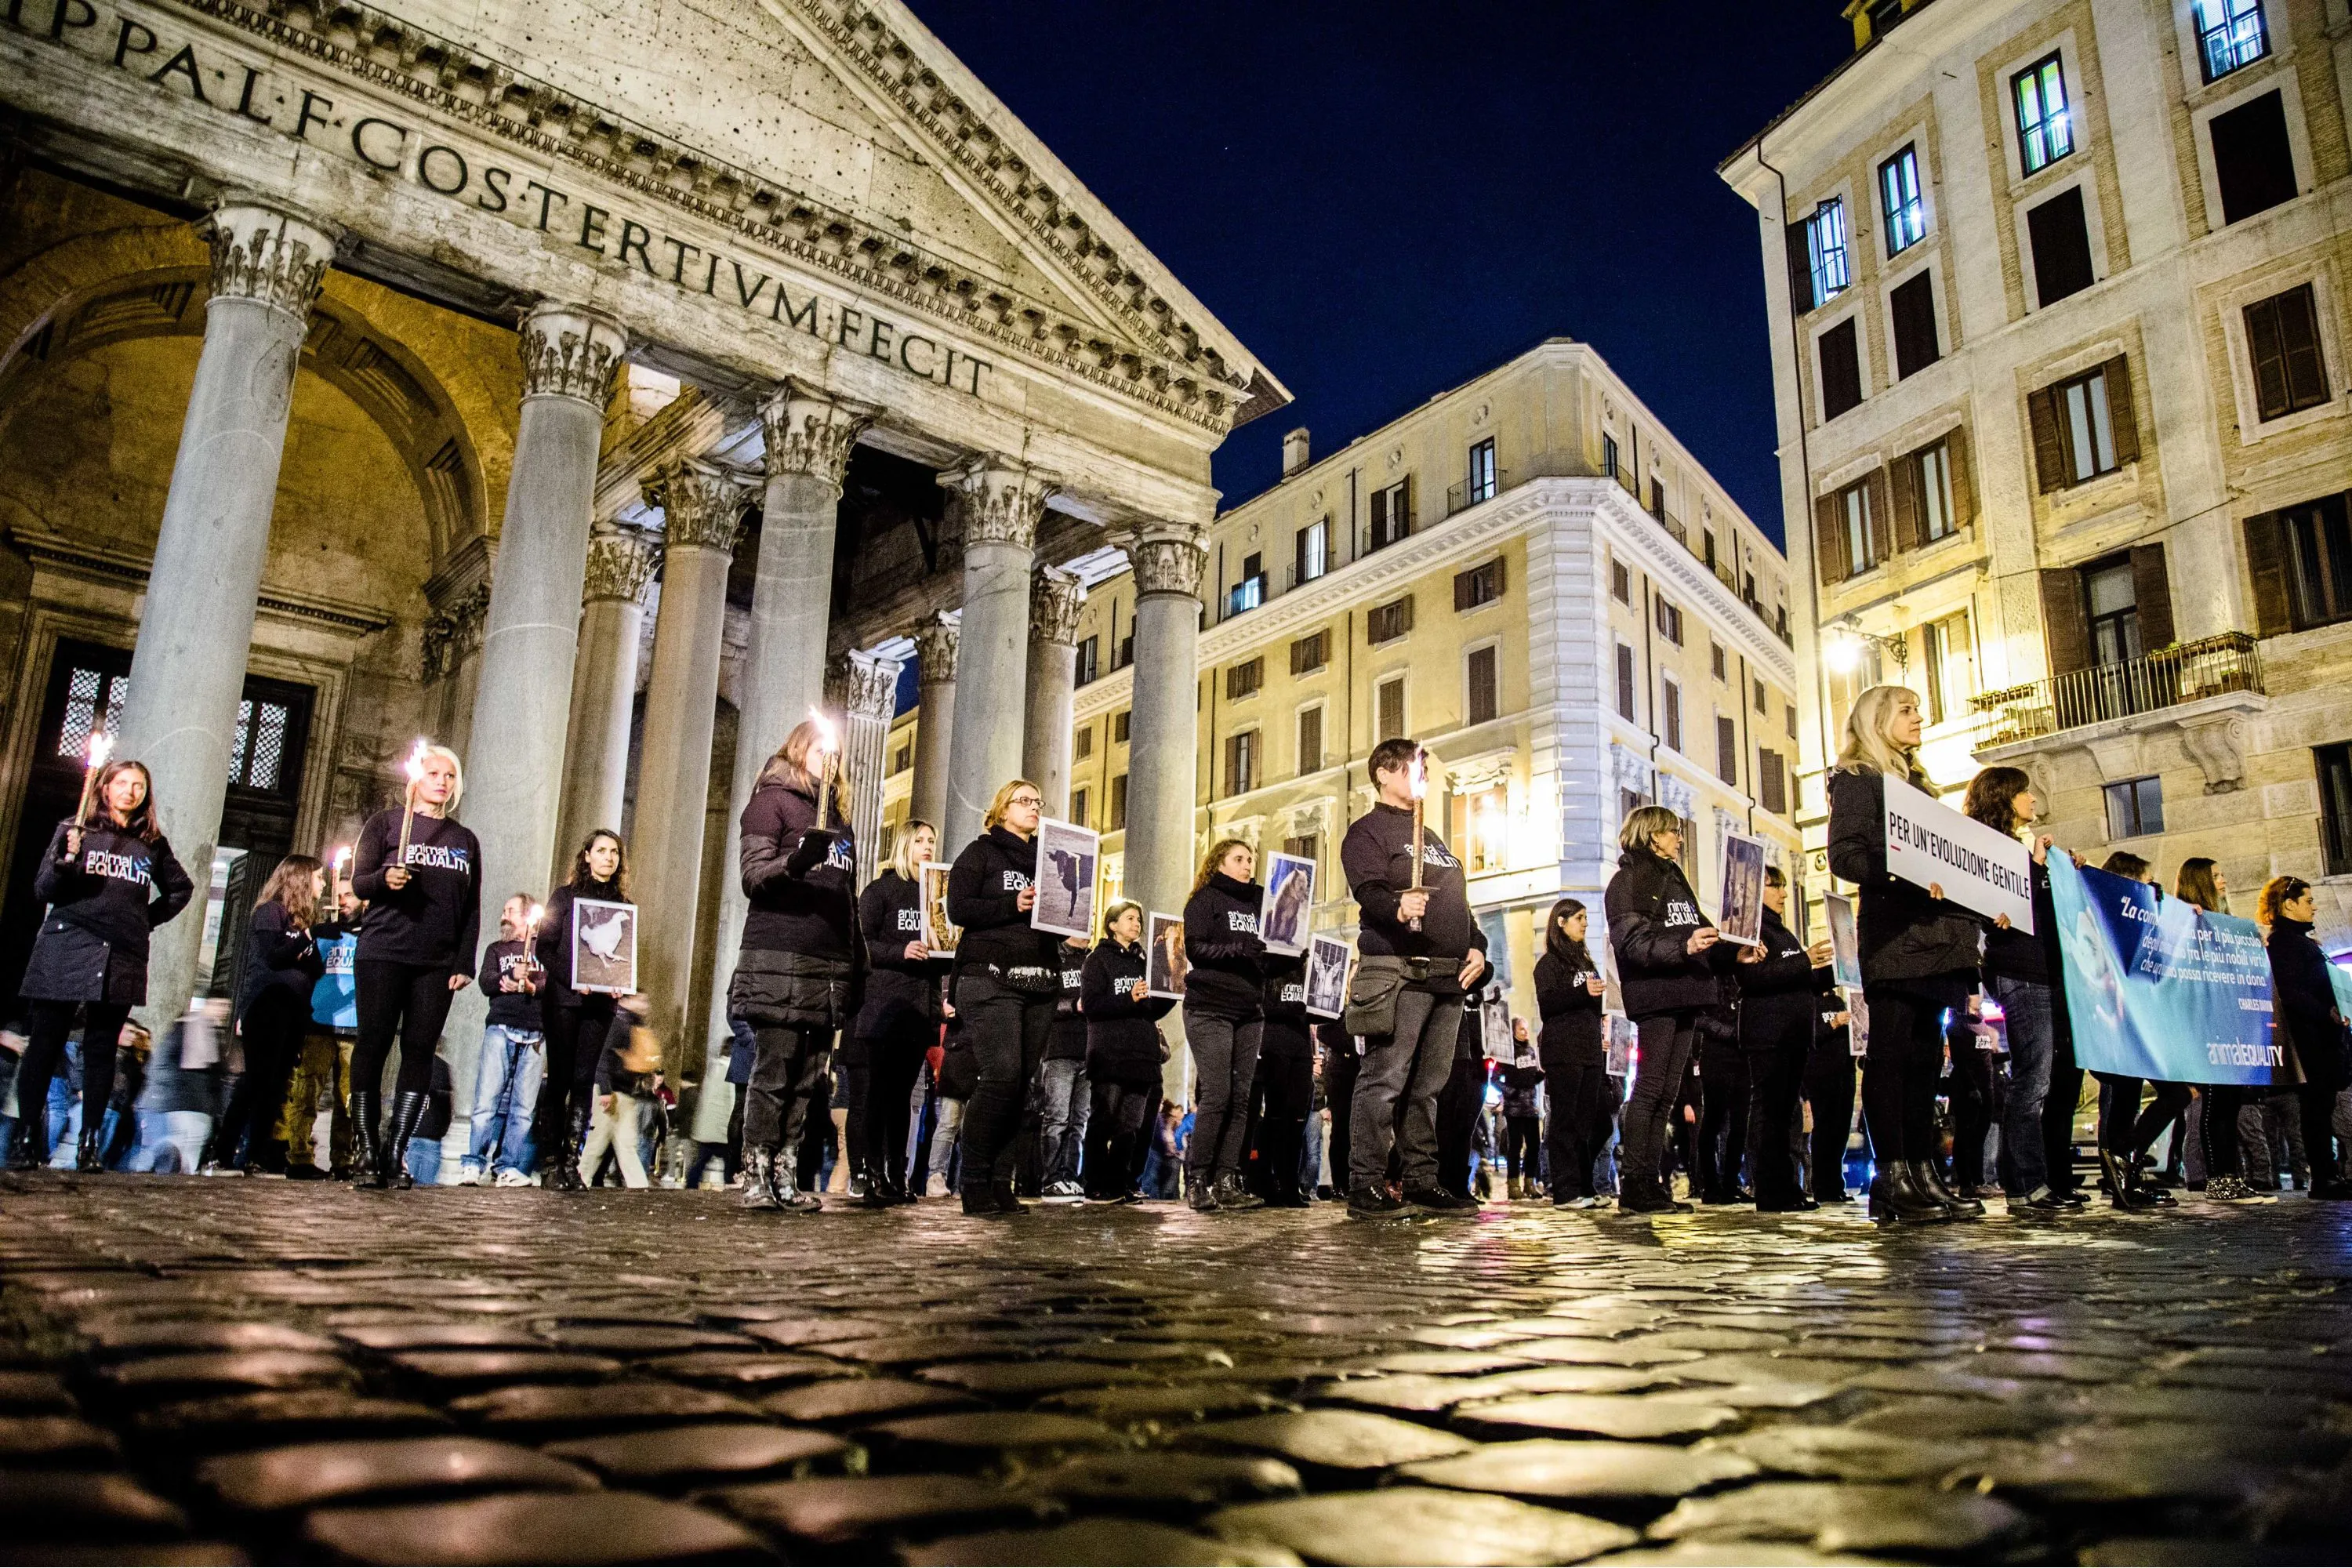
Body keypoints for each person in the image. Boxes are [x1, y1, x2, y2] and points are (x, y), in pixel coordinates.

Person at [1825, 687, 1983, 1225]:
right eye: (1907, 710)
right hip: (1895, 938)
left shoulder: (1918, 784)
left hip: (1937, 942)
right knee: (1891, 1057)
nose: (1920, 718)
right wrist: (1907, 874)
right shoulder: (1858, 778)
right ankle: (1892, 1178)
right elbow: (1845, 855)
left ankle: (1921, 1172)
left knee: (1923, 1062)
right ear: (1877, 720)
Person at [9, 757, 194, 1173]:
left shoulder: (151, 843)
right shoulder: (76, 830)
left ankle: (89, 1143)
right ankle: (25, 1137)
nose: (131, 791)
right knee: (46, 1044)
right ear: (105, 788)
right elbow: (43, 889)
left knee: (102, 1049)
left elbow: (181, 889)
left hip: (122, 953)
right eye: (122, 783)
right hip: (68, 946)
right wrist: (66, 861)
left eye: (139, 785)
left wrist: (145, 919)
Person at [1340, 738, 1489, 1220]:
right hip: (1400, 970)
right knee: (1385, 1079)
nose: (1423, 775)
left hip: (1447, 976)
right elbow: (1369, 892)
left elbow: (1458, 905)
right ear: (1384, 774)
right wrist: (1397, 906)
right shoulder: (1367, 833)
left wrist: (1477, 945)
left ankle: (1422, 1179)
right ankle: (1365, 1182)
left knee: (1429, 1086)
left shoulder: (1434, 837)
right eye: (1413, 767)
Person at [727, 718, 862, 1214]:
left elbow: (846, 898)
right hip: (780, 955)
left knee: (809, 1077)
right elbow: (753, 877)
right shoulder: (771, 802)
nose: (830, 758)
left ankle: (786, 1172)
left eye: (835, 752)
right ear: (799, 749)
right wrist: (798, 861)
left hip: (828, 963)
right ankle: (756, 1172)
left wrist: (858, 964)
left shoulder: (840, 821)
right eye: (821, 749)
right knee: (775, 1068)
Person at [1606, 804, 1752, 1214]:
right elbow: (1631, 943)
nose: (1680, 838)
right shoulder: (1627, 881)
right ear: (1653, 835)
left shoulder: (1674, 879)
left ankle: (1649, 1182)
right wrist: (1683, 946)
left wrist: (1733, 956)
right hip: (1656, 997)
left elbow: (1701, 933)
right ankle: (1635, 1184)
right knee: (1650, 1089)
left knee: (1667, 1093)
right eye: (1673, 831)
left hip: (1686, 994)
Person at [348, 743, 481, 1189]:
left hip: (437, 961)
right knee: (373, 1043)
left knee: (420, 1049)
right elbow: (359, 882)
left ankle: (397, 1149)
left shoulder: (464, 840)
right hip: (384, 950)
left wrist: (465, 960)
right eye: (434, 774)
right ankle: (366, 1147)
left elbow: (472, 906)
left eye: (449, 776)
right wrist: (384, 879)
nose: (442, 782)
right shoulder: (386, 823)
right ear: (416, 778)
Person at [945, 779, 1062, 1217]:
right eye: (1024, 801)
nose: (1034, 807)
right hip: (990, 977)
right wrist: (1012, 905)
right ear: (1002, 809)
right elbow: (959, 908)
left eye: (1037, 802)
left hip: (1040, 981)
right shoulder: (981, 853)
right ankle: (973, 1179)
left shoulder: (1050, 859)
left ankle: (1001, 1181)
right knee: (1001, 1076)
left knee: (1022, 1086)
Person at [1960, 767, 2069, 1211]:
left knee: (2038, 1079)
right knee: (2032, 1080)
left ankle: (2026, 1181)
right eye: (2024, 792)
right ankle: (2026, 1185)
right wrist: (2038, 868)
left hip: (2038, 971)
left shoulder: (2015, 849)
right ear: (2004, 798)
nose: (2033, 799)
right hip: (2021, 971)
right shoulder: (1993, 850)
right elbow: (2009, 908)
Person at [2088, 851, 2194, 1210]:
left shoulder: (2137, 917)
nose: (2154, 888)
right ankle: (2125, 1163)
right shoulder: (2110, 917)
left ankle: (2125, 1173)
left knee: (2133, 1098)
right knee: (2161, 1094)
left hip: (2136, 1023)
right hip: (2122, 1023)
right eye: (2147, 882)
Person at [212, 854, 327, 1174]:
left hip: (295, 1010)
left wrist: (306, 944)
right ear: (301, 879)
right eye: (318, 877)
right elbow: (272, 957)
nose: (323, 884)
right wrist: (306, 940)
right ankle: (222, 1153)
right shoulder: (270, 912)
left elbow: (316, 968)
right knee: (256, 1080)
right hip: (266, 1006)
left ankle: (257, 1155)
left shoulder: (301, 922)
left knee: (276, 1086)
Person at [850, 821, 946, 1206]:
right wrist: (900, 951)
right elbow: (861, 943)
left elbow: (945, 949)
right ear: (904, 845)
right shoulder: (881, 891)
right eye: (919, 840)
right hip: (883, 1008)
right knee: (878, 1092)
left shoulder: (936, 897)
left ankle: (897, 1173)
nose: (927, 846)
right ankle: (872, 1172)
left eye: (932, 841)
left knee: (903, 1096)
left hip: (918, 1009)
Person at [535, 829, 630, 1191]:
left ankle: (571, 1162)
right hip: (564, 1000)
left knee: (583, 1080)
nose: (608, 857)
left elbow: (623, 954)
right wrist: (573, 978)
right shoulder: (565, 896)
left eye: (614, 852)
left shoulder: (623, 904)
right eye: (601, 850)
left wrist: (621, 981)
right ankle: (550, 1162)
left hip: (601, 1004)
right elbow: (544, 947)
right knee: (559, 1078)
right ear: (587, 855)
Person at [1737, 866, 1834, 1212]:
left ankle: (1787, 1186)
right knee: (1770, 1112)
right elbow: (1754, 977)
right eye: (1774, 886)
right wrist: (1805, 961)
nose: (1783, 893)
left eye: (1782, 886)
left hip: (1792, 1034)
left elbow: (1798, 979)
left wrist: (1831, 971)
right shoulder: (1752, 928)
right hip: (1769, 1033)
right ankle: (1770, 1189)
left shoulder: (1782, 930)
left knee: (1785, 1115)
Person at [1181, 837, 1269, 1212]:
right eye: (1239, 859)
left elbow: (1267, 953)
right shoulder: (1205, 900)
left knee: (1241, 1099)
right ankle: (1197, 1179)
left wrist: (1285, 954)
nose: (1248, 865)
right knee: (1218, 1094)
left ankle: (1226, 1179)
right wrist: (1238, 950)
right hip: (1210, 1007)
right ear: (1219, 863)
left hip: (1249, 1009)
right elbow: (1195, 949)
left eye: (1250, 859)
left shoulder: (1258, 903)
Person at [2261, 875, 2352, 1201]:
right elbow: (2291, 992)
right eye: (2308, 901)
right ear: (2289, 904)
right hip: (2312, 1041)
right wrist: (2326, 1013)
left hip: (2323, 1039)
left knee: (2322, 1109)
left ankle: (2329, 1175)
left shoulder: (2301, 942)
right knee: (2316, 1110)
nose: (2314, 907)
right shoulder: (2285, 943)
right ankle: (2324, 1178)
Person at [1080, 900, 1174, 1201]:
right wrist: (1128, 998)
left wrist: (1171, 992)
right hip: (1110, 1054)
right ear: (1112, 925)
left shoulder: (1144, 961)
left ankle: (1119, 1183)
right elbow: (1092, 1006)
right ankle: (1095, 1184)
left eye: (1139, 919)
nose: (1136, 924)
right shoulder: (1097, 960)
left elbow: (1152, 1009)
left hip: (1142, 1055)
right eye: (1130, 918)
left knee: (1131, 1125)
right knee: (1104, 1118)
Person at [2176, 858, 2256, 1203]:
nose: (2223, 880)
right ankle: (2218, 1179)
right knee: (2215, 1105)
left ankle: (2231, 1177)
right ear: (2199, 882)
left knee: (2230, 1103)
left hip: (2230, 1023)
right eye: (2216, 876)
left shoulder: (2225, 923)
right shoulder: (2186, 920)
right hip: (2205, 1025)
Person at [461, 893, 545, 1187]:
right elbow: (486, 981)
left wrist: (533, 986)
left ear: (527, 916)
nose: (504, 916)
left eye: (510, 911)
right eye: (504, 911)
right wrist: (508, 975)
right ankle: (473, 1162)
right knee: (487, 1100)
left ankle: (507, 1165)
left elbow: (552, 982)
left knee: (523, 1109)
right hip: (501, 1027)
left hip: (535, 1031)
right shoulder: (496, 949)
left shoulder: (544, 950)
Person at [1533, 898, 1609, 1210]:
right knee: (1565, 1121)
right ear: (1561, 922)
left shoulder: (1586, 963)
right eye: (1579, 918)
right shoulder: (1548, 964)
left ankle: (1586, 1186)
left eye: (1586, 917)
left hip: (1590, 1049)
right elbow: (1548, 1005)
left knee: (1593, 1123)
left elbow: (1594, 1004)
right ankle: (1565, 1191)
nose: (1585, 923)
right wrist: (1582, 993)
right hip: (1564, 1050)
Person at [1252, 950, 1316, 1207]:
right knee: (1276, 1115)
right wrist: (1290, 1009)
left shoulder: (1305, 966)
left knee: (1297, 1118)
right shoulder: (1269, 963)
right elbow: (1260, 1003)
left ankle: (1290, 1184)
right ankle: (1267, 1181)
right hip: (1275, 1044)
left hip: (1301, 1046)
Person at [1037, 930, 1094, 1203]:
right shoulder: (1054, 959)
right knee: (1057, 1117)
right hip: (1060, 1050)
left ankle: (1070, 1176)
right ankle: (1051, 1179)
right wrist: (1074, 1005)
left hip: (1088, 1051)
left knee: (1079, 1120)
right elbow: (1046, 1004)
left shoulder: (1093, 962)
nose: (1089, 931)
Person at [581, 993, 658, 1189]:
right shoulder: (618, 1023)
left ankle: (639, 1188)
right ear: (625, 1001)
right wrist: (605, 1090)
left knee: (627, 1145)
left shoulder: (634, 1026)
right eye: (639, 1000)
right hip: (612, 1092)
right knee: (597, 1146)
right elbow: (603, 1056)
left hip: (625, 1094)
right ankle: (581, 1180)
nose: (644, 1005)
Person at [1804, 1001, 1857, 1203]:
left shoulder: (1838, 1001)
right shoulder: (1811, 1002)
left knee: (1841, 1130)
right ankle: (1821, 1186)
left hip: (1845, 1072)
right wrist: (1833, 1024)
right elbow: (1808, 1037)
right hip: (1821, 1073)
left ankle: (1836, 1185)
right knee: (1825, 1129)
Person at [1498, 1020, 1544, 1200]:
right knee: (1515, 1146)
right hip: (1514, 1108)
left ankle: (1530, 1183)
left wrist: (1540, 1075)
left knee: (1534, 1145)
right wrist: (1511, 1091)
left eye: (1526, 1029)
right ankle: (1513, 1185)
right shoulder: (1507, 1053)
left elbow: (1531, 1077)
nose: (1525, 1032)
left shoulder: (1531, 1051)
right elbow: (1495, 1078)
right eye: (1521, 1029)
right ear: (1513, 1031)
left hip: (1530, 1106)